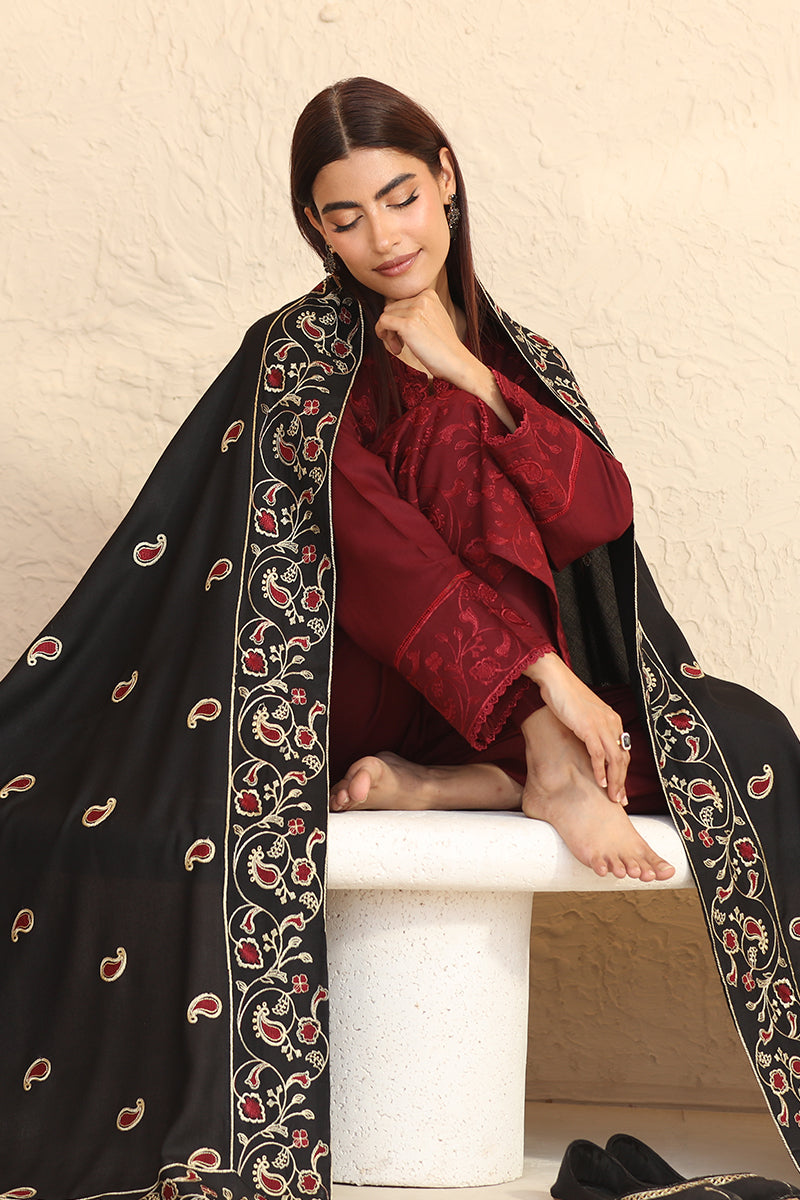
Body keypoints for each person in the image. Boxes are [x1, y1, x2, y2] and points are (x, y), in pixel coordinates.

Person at [1, 75, 799, 1200]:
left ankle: (464, 781)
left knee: (746, 741)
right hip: (345, 688)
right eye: (343, 216)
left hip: (480, 702)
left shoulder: (518, 354)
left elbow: (595, 520)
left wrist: (469, 374)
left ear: (447, 182)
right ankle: (536, 758)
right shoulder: (295, 362)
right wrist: (548, 688)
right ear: (312, 230)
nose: (381, 237)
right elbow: (375, 562)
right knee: (422, 476)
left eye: (401, 197)